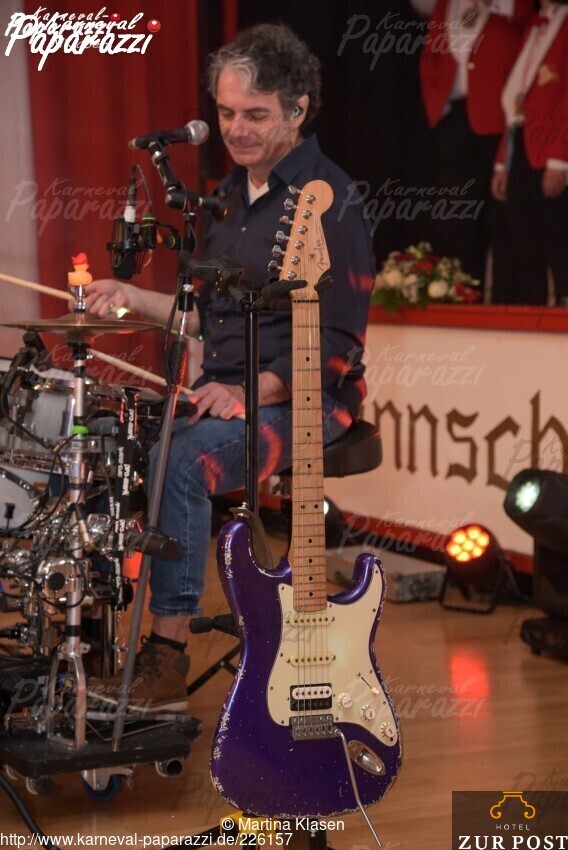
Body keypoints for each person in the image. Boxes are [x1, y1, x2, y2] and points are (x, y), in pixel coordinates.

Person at [85, 23, 375, 712]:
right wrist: (133, 298)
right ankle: (88, 639)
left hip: (308, 402)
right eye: (225, 112)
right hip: (227, 393)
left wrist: (252, 391)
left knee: (183, 459)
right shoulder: (226, 197)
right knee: (100, 439)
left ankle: (166, 656)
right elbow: (205, 319)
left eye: (255, 114)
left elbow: (339, 343)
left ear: (298, 110)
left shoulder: (330, 201)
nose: (236, 129)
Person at [416, 0, 531, 296]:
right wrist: (436, 105)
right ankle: (461, 293)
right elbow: (431, 53)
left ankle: (506, 299)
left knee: (500, 214)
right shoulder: (445, 4)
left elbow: (526, 17)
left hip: (497, 116)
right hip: (454, 115)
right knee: (456, 214)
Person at [492, 0, 568, 304]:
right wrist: (502, 163)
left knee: (559, 241)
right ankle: (529, 317)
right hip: (521, 142)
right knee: (524, 243)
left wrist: (559, 160)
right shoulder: (533, 27)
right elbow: (515, 101)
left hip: (552, 147)